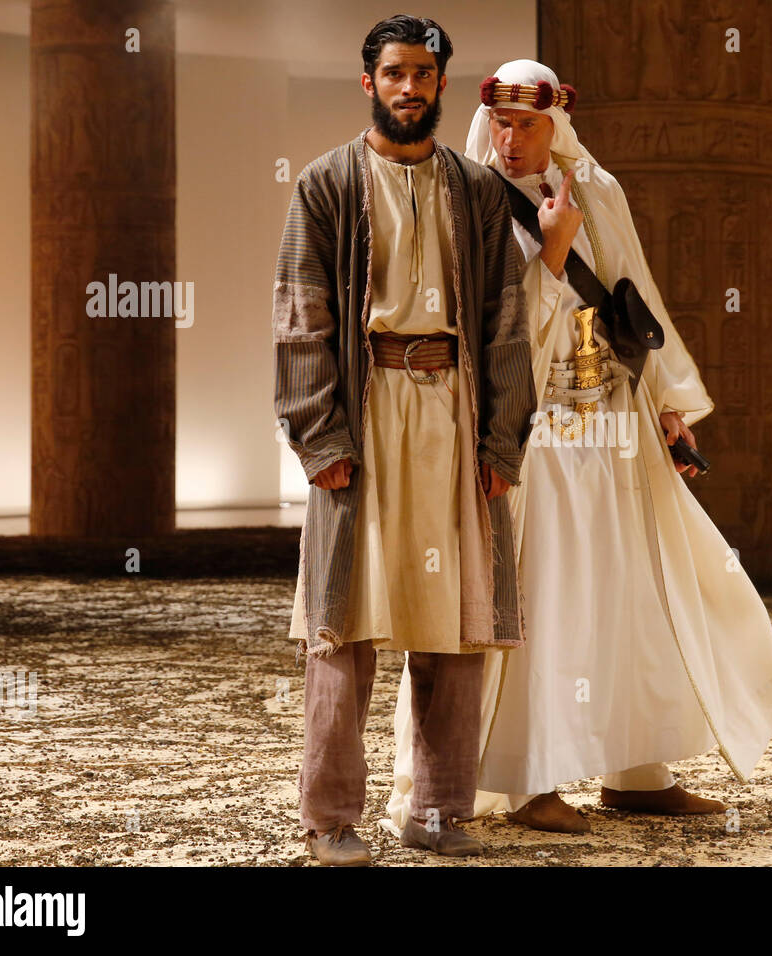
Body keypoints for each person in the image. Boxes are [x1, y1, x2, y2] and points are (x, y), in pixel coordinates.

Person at [383, 60, 772, 837]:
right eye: (500, 123)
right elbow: (482, 328)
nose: (509, 139)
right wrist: (549, 253)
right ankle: (528, 777)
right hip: (529, 430)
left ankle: (637, 770)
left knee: (629, 589)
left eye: (527, 124)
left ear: (558, 123)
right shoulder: (464, 203)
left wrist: (669, 401)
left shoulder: (599, 192)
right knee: (543, 597)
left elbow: (636, 293)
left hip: (611, 420)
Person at [273, 16, 535, 863]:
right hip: (366, 410)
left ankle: (437, 811)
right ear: (369, 83)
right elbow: (301, 319)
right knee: (344, 624)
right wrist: (320, 437)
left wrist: (501, 444)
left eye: (424, 73)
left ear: (440, 85)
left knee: (453, 626)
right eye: (394, 73)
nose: (409, 87)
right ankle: (331, 817)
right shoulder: (323, 183)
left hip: (454, 415)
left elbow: (505, 323)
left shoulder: (479, 191)